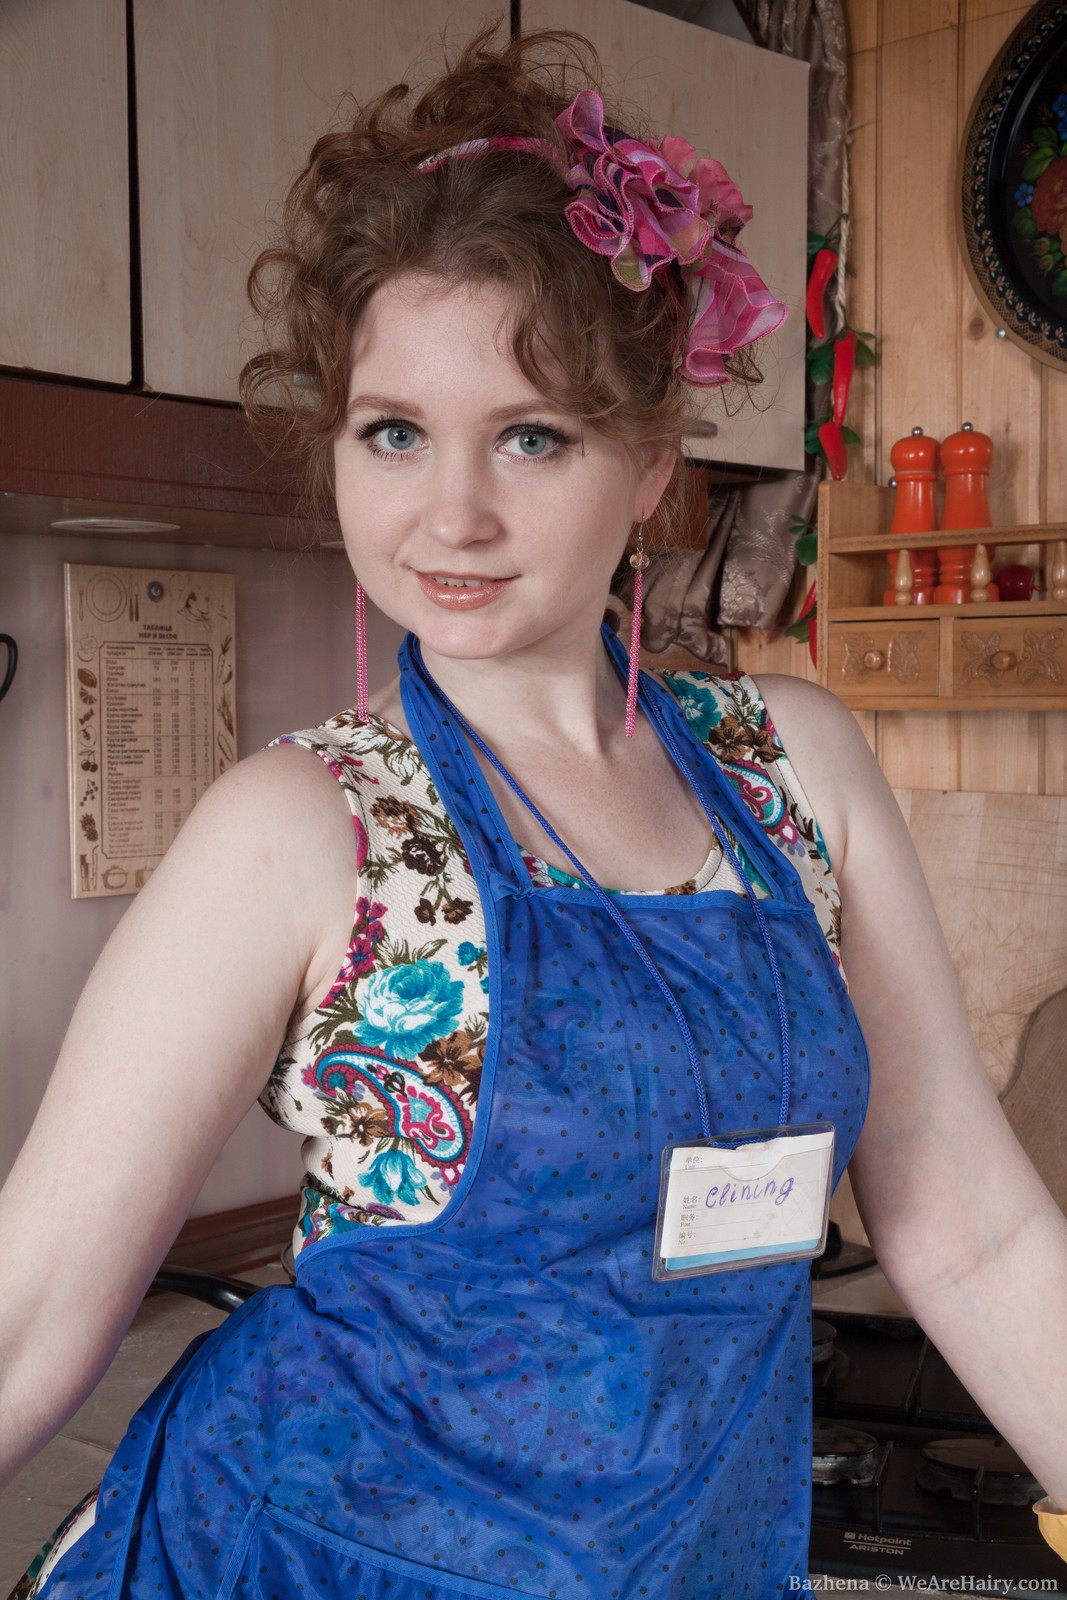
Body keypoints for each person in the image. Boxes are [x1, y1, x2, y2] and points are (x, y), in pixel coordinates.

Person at [3, 24, 1067, 1600]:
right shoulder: (300, 830)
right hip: (300, 1560)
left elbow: (969, 1227)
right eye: (394, 432)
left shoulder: (798, 770)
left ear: (649, 461)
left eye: (532, 436)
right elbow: (30, 1311)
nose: (452, 515)